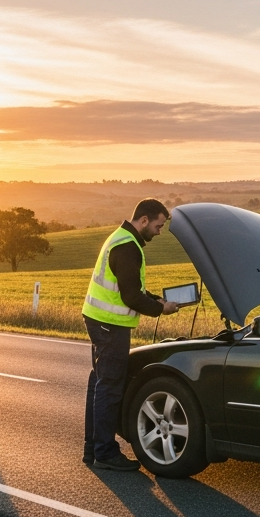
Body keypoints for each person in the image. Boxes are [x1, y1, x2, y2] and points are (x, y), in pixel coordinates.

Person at [81, 198, 180, 471]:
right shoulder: (128, 247)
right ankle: (105, 452)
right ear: (144, 220)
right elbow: (130, 296)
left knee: (100, 385)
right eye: (159, 226)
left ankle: (93, 449)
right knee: (110, 387)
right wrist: (162, 310)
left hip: (100, 320)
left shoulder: (121, 237)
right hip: (110, 325)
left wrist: (156, 300)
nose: (159, 232)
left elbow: (131, 288)